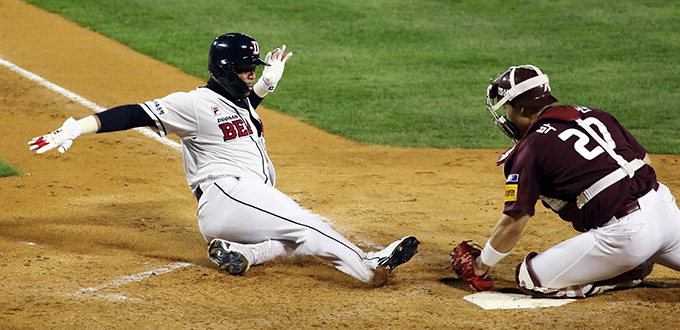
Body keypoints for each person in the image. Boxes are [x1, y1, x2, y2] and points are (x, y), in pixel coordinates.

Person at [28, 33, 419, 284]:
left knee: (284, 238)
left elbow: (240, 109)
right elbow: (135, 112)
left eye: (255, 70)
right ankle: (369, 265)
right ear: (225, 71)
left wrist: (265, 84)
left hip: (235, 213)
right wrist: (75, 128)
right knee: (304, 224)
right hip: (229, 194)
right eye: (246, 71)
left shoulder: (236, 101)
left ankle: (243, 254)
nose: (252, 76)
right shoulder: (194, 104)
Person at [467, 64, 680, 298]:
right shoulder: (595, 114)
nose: (506, 115)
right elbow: (644, 162)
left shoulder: (531, 148)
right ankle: (634, 257)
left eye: (507, 107)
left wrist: (480, 264)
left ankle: (623, 273)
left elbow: (514, 222)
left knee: (532, 278)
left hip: (627, 237)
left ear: (522, 107)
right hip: (666, 211)